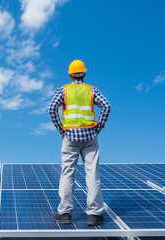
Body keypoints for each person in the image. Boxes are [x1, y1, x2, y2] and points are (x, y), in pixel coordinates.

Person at [48, 60, 111, 226]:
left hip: (70, 137)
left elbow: (51, 108)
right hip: (90, 136)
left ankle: (65, 213)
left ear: (70, 75)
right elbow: (106, 106)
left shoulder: (64, 90)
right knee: (92, 174)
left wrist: (61, 130)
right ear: (84, 74)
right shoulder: (92, 90)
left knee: (67, 173)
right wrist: (99, 126)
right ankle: (94, 214)